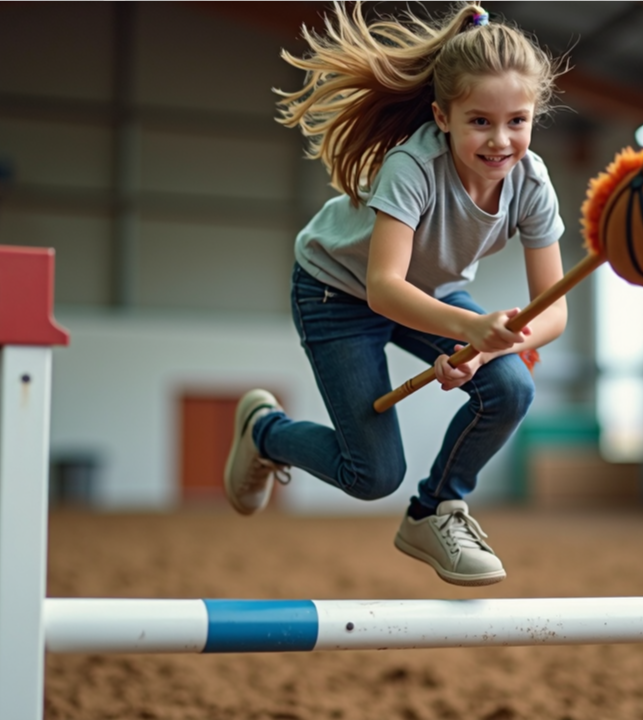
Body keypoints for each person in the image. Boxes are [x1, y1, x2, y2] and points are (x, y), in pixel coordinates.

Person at [224, 1, 567, 587]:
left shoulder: (532, 182)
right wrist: (469, 329)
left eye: (518, 120)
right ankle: (265, 431)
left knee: (510, 385)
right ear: (443, 116)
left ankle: (435, 510)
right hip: (337, 291)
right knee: (372, 475)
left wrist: (485, 348)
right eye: (479, 121)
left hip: (432, 291)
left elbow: (553, 308)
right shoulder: (412, 165)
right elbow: (383, 288)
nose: (501, 140)